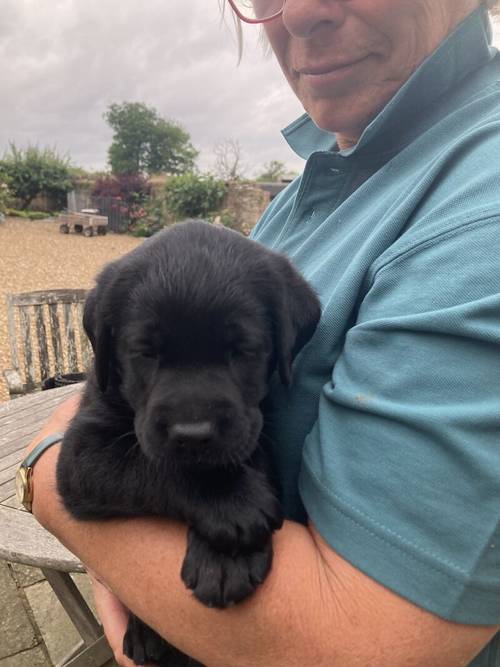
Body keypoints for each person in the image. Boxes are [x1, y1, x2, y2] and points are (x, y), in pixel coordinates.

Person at [23, 1, 500, 665]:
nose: (300, 10)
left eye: (240, 350)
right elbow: (94, 439)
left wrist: (46, 469)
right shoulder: (304, 193)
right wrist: (158, 523)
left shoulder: (483, 209)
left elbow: (361, 640)